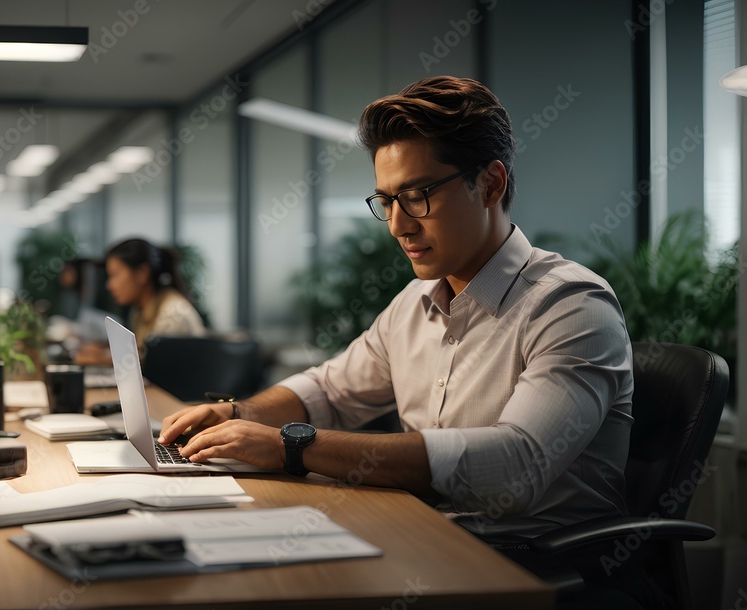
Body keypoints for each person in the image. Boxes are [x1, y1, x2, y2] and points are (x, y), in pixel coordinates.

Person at [160, 76, 635, 540]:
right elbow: (329, 391)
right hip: (423, 536)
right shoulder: (414, 304)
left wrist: (291, 446)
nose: (397, 226)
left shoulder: (570, 305)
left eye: (417, 196)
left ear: (490, 185)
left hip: (530, 567)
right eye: (387, 201)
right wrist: (239, 413)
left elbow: (515, 464)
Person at [75, 238, 206, 365]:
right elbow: (141, 353)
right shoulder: (140, 310)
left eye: (115, 275)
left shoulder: (172, 313)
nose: (109, 285)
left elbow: (152, 364)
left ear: (142, 273)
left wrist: (102, 357)